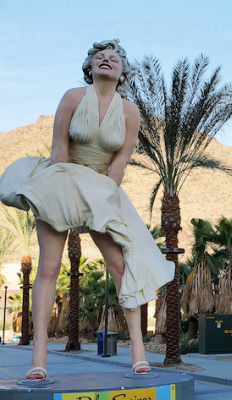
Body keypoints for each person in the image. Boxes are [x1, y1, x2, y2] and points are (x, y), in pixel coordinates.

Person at [0, 39, 175, 380]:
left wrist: (99, 200)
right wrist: (65, 199)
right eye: (99, 57)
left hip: (102, 188)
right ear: (90, 67)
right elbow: (59, 150)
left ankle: (138, 351)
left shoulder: (129, 112)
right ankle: (38, 357)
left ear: (123, 72)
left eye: (113, 58)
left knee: (121, 265)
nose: (106, 60)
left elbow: (119, 164)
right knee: (49, 266)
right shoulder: (73, 98)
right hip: (62, 179)